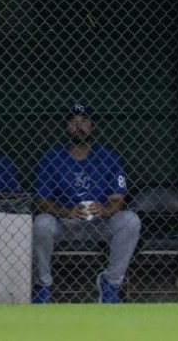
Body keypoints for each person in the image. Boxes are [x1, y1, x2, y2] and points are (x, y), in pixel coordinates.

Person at [31, 103, 141, 304]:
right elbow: (41, 201)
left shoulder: (108, 157)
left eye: (84, 121)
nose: (79, 126)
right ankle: (42, 285)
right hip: (64, 223)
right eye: (73, 121)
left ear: (92, 126)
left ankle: (111, 283)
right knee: (41, 223)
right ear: (66, 127)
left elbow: (118, 200)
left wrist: (104, 209)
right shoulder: (51, 157)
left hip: (99, 223)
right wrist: (67, 211)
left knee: (130, 220)